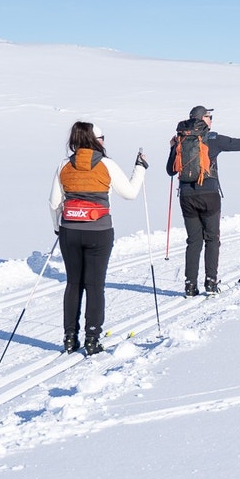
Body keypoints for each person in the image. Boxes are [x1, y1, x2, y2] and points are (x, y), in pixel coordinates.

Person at [49, 121, 148, 355]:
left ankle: (70, 338)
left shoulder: (64, 165)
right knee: (95, 285)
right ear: (96, 140)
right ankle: (92, 338)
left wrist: (58, 228)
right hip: (99, 231)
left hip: (69, 231)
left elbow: (54, 202)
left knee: (74, 283)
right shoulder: (106, 164)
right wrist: (140, 168)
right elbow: (130, 194)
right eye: (102, 138)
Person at [166, 106, 240, 296]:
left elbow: (171, 171)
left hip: (186, 196)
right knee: (212, 239)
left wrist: (173, 148)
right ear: (202, 119)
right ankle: (211, 282)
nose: (211, 120)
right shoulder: (213, 138)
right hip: (209, 195)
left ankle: (190, 285)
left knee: (193, 241)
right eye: (209, 116)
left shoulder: (180, 138)